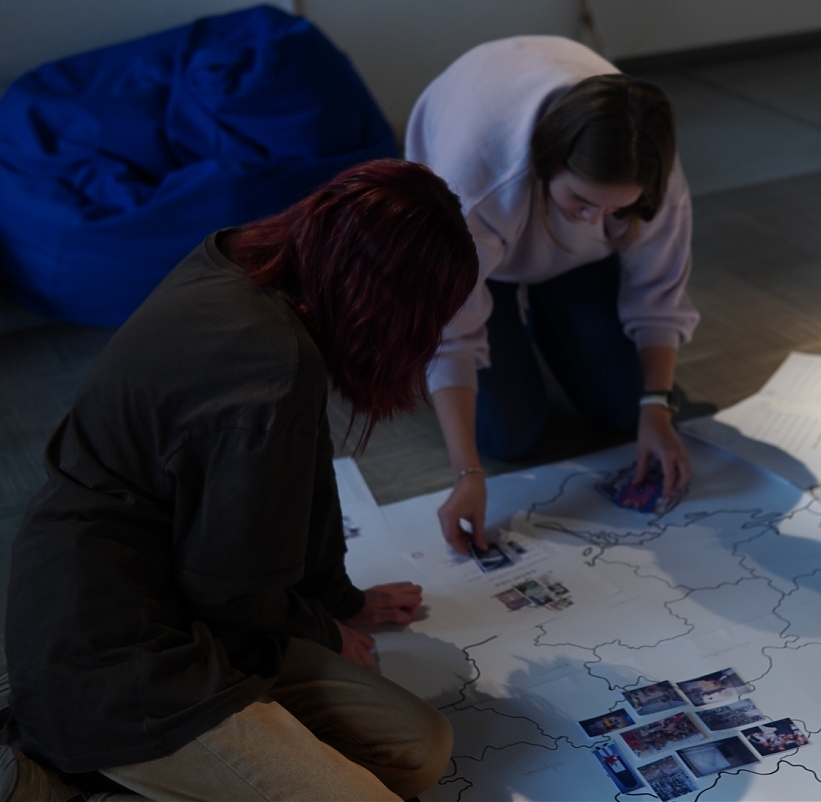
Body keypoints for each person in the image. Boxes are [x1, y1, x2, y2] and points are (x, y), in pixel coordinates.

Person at [2, 159, 479, 801]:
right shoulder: (274, 367)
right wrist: (325, 630)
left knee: (418, 752)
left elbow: (301, 487)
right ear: (389, 304)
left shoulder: (242, 261)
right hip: (111, 644)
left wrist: (341, 602)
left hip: (183, 604)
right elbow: (230, 591)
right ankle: (39, 774)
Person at [405, 36, 701, 556]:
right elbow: (450, 333)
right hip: (485, 235)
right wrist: (467, 472)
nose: (594, 220)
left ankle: (548, 308)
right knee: (510, 437)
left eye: (616, 210)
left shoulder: (651, 168)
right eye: (582, 200)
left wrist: (657, 405)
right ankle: (507, 310)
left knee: (625, 410)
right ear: (549, 162)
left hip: (564, 249)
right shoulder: (476, 187)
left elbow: (659, 292)